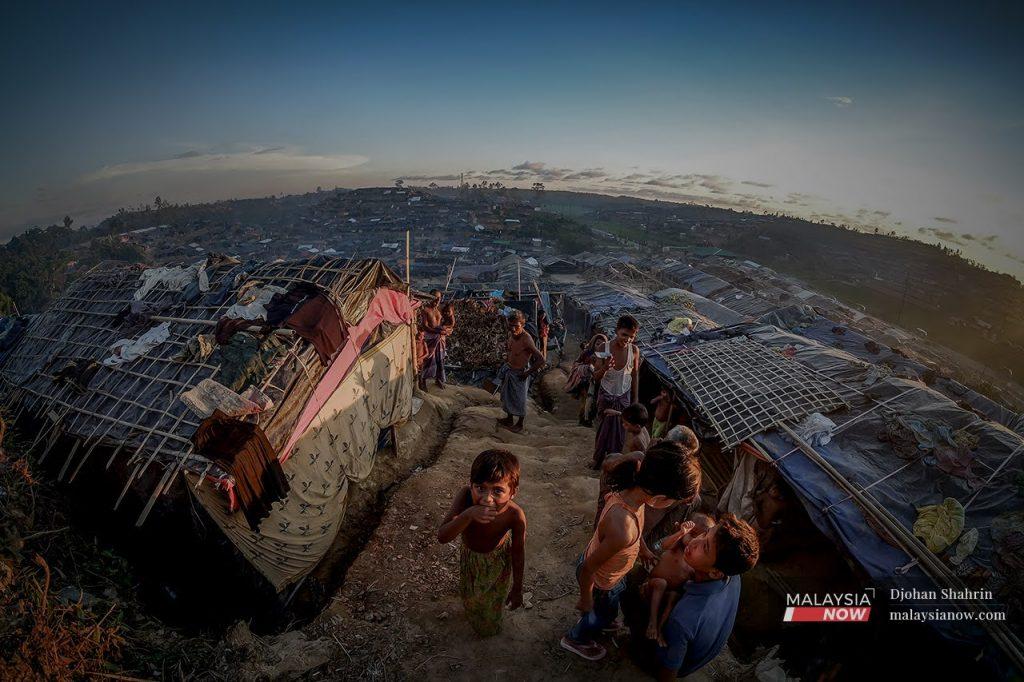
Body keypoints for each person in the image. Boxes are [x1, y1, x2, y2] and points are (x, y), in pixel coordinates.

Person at [561, 441, 702, 662]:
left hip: (610, 576)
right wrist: (586, 599)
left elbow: (634, 536)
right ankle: (576, 638)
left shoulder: (636, 493)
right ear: (660, 499)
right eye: (675, 502)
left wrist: (643, 549)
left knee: (609, 608)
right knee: (596, 615)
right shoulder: (623, 528)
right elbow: (588, 567)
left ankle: (604, 619)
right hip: (599, 582)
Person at [651, 513, 760, 679]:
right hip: (702, 649)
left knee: (631, 590)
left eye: (705, 547)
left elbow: (667, 676)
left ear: (716, 573)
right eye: (704, 534)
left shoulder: (683, 619)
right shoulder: (733, 575)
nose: (695, 542)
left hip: (678, 665)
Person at [437, 449, 527, 636]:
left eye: (497, 491)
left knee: (491, 603)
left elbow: (518, 553)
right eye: (480, 488)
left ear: (512, 492)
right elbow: (443, 536)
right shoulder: (465, 498)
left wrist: (517, 587)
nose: (487, 499)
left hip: (497, 562)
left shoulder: (515, 516)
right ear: (471, 485)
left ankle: (488, 629)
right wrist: (468, 514)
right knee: (470, 595)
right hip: (470, 558)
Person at [641, 514, 714, 646]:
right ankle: (652, 622)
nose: (694, 542)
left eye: (701, 540)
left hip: (668, 594)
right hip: (651, 586)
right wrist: (680, 533)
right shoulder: (676, 546)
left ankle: (659, 629)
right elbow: (662, 545)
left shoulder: (695, 561)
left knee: (674, 596)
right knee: (661, 583)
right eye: (692, 535)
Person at [592, 315, 641, 468]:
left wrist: (635, 399)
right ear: (616, 331)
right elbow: (595, 377)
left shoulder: (634, 350)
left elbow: (634, 375)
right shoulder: (604, 349)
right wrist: (605, 367)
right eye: (624, 335)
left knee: (620, 432)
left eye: (631, 337)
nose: (627, 339)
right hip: (606, 395)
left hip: (623, 396)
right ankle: (598, 459)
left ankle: (614, 462)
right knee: (603, 430)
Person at [496, 310, 546, 433]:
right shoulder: (511, 335)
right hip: (510, 370)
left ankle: (520, 424)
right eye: (511, 325)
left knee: (520, 399)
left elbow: (541, 359)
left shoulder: (526, 339)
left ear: (522, 325)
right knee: (508, 396)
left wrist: (528, 373)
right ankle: (509, 419)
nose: (513, 329)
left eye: (516, 326)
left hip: (520, 373)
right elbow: (510, 349)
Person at [418, 289, 449, 391]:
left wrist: (445, 330)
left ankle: (439, 379)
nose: (437, 300)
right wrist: (437, 332)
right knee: (428, 360)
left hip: (439, 338)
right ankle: (423, 381)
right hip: (430, 338)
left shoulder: (439, 310)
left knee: (440, 359)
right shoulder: (425, 310)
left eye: (439, 298)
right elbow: (425, 326)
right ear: (430, 298)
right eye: (435, 298)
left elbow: (443, 323)